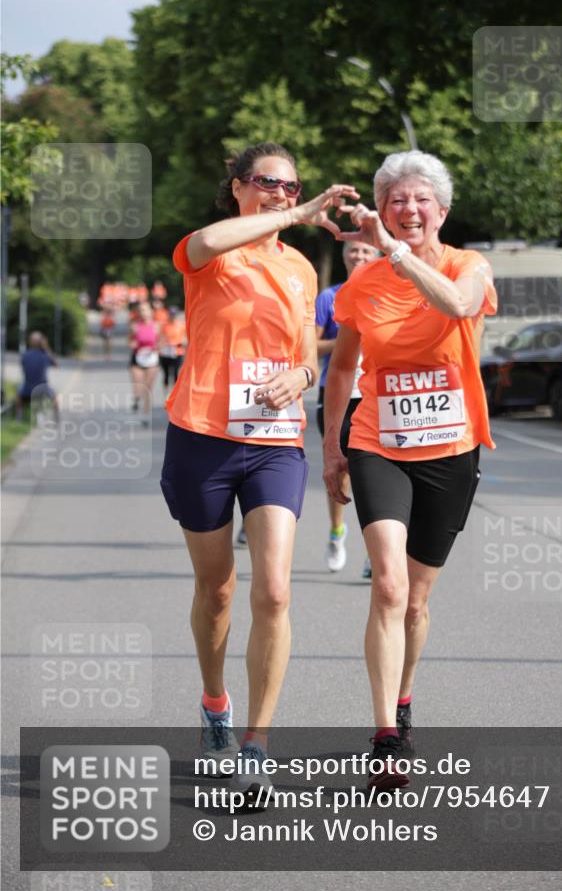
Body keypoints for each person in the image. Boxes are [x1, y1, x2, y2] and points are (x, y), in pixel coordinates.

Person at [159, 141, 358, 801]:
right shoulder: (211, 251)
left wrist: (301, 375)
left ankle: (256, 743)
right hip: (202, 437)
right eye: (269, 183)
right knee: (217, 590)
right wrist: (293, 211)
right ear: (240, 186)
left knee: (273, 591)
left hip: (273, 442)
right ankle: (214, 703)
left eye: (292, 184)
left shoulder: (301, 269)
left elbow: (307, 355)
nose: (281, 191)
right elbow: (209, 239)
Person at [323, 150, 497, 791]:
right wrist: (333, 446)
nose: (409, 209)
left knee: (418, 601)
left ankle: (404, 699)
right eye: (396, 200)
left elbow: (456, 306)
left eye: (421, 199)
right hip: (379, 442)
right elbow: (342, 368)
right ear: (383, 209)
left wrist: (395, 252)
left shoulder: (467, 265)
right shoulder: (359, 288)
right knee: (390, 587)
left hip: (451, 450)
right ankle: (385, 737)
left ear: (442, 211)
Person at [316, 240, 380, 575]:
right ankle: (337, 531)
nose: (359, 256)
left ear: (378, 255)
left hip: (374, 395)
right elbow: (309, 344)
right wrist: (346, 340)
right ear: (344, 257)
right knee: (339, 472)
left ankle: (376, 552)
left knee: (374, 477)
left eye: (366, 251)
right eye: (353, 251)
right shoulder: (329, 297)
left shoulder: (387, 292)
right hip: (337, 394)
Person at [128, 301, 161, 426]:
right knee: (139, 385)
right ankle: (136, 398)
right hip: (137, 358)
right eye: (141, 310)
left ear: (151, 311)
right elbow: (130, 341)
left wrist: (159, 347)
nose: (144, 312)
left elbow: (161, 341)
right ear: (138, 313)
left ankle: (146, 415)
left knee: (148, 388)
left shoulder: (157, 326)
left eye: (146, 309)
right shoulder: (134, 326)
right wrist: (132, 344)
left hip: (152, 359)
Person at [15, 331, 59, 421]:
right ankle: (56, 417)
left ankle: (19, 417)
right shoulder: (45, 355)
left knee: (19, 392)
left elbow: (23, 367)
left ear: (30, 342)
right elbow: (56, 364)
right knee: (54, 395)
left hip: (27, 388)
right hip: (42, 389)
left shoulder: (25, 355)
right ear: (41, 342)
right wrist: (46, 347)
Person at [158, 306, 187, 390]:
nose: (172, 316)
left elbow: (185, 338)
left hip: (177, 351)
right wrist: (162, 345)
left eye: (174, 314)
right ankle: (166, 394)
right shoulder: (164, 325)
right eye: (171, 314)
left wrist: (180, 343)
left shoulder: (181, 325)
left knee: (176, 373)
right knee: (166, 374)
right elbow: (160, 337)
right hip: (166, 352)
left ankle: (175, 394)